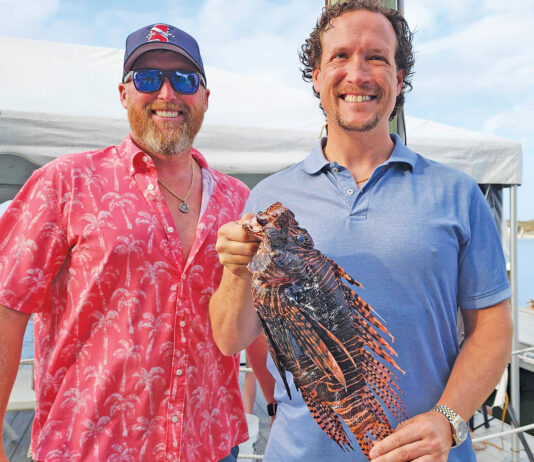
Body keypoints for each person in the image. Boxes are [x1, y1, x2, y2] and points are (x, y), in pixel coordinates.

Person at [209, 1, 513, 461]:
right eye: (340, 56)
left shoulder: (458, 193)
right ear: (316, 75)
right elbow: (231, 339)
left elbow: (492, 327)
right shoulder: (269, 195)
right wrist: (236, 271)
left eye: (376, 57)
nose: (358, 73)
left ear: (399, 75)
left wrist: (448, 420)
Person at [0, 23, 249, 462]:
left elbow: (256, 309)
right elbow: (7, 306)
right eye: (148, 78)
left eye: (185, 79)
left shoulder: (239, 199)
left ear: (205, 98)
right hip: (91, 448)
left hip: (211, 445)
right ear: (123, 93)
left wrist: (274, 402)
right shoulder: (66, 183)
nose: (168, 93)